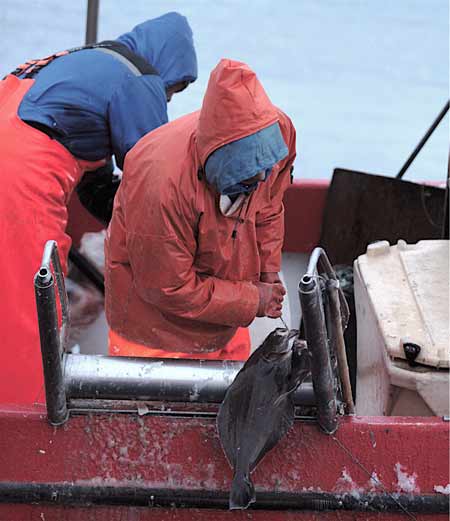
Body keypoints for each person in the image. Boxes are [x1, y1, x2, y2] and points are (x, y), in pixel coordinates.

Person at [0, 12, 197, 404]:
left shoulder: (82, 64)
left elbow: (97, 190)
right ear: (168, 68)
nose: (168, 99)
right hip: (19, 178)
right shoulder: (140, 79)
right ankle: (26, 419)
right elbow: (153, 174)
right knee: (32, 305)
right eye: (173, 90)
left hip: (13, 153)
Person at [105, 58, 296, 361]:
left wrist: (268, 271)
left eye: (266, 171)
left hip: (225, 313)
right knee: (155, 408)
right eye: (247, 178)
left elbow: (269, 206)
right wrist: (253, 299)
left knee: (232, 398)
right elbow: (168, 287)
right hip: (155, 330)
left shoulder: (278, 132)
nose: (262, 180)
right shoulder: (160, 185)